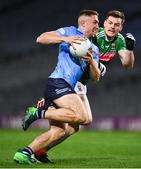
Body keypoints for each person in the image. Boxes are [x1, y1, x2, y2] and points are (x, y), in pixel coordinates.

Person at [33, 10, 136, 164]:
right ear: (104, 23)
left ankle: (40, 151)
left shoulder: (119, 40)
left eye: (117, 25)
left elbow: (127, 65)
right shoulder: (95, 34)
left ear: (121, 27)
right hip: (72, 81)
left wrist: (130, 49)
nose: (112, 27)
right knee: (83, 119)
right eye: (109, 23)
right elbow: (78, 45)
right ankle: (42, 112)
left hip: (82, 83)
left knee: (73, 127)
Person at [13, 9, 100, 165]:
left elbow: (96, 77)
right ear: (83, 23)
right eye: (95, 21)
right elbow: (41, 38)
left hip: (66, 87)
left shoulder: (93, 49)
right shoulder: (69, 31)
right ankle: (37, 113)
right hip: (58, 82)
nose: (98, 25)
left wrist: (91, 62)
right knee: (82, 117)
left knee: (66, 129)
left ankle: (27, 152)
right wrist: (65, 39)